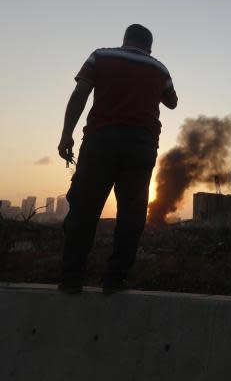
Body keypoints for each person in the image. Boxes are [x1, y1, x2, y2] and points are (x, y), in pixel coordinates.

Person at [57, 24, 178, 294]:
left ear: (125, 40)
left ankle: (71, 278)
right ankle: (114, 280)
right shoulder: (159, 69)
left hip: (101, 140)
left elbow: (79, 94)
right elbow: (173, 102)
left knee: (84, 208)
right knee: (132, 214)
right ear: (149, 46)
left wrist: (66, 135)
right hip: (141, 145)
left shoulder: (100, 56)